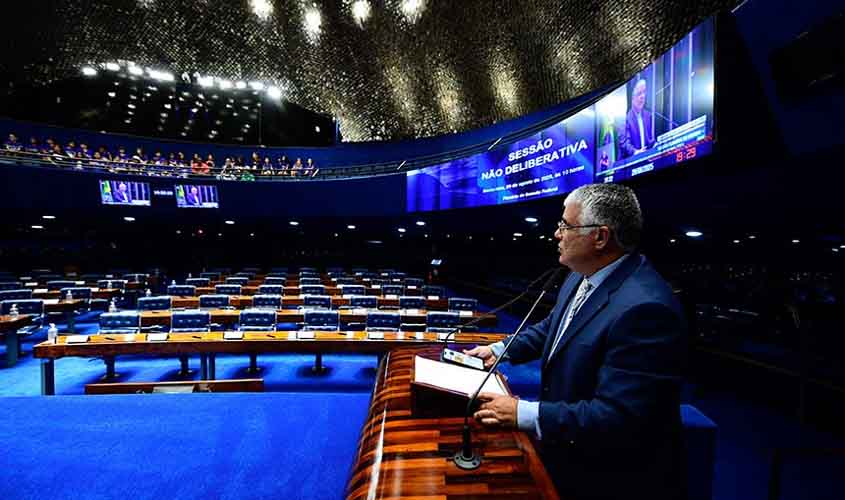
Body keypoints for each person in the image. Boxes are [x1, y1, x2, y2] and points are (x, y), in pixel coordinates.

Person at [465, 183, 686, 500]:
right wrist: (499, 350)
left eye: (565, 226)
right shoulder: (581, 275)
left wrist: (524, 413)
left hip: (614, 479)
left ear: (600, 237)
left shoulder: (646, 310)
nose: (557, 234)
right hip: (569, 452)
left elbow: (619, 418)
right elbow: (553, 327)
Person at [620, 79, 655, 158]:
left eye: (644, 93)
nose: (642, 96)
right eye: (639, 93)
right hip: (631, 162)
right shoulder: (625, 118)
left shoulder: (648, 116)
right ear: (632, 97)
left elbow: (651, 141)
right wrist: (636, 152)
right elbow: (624, 143)